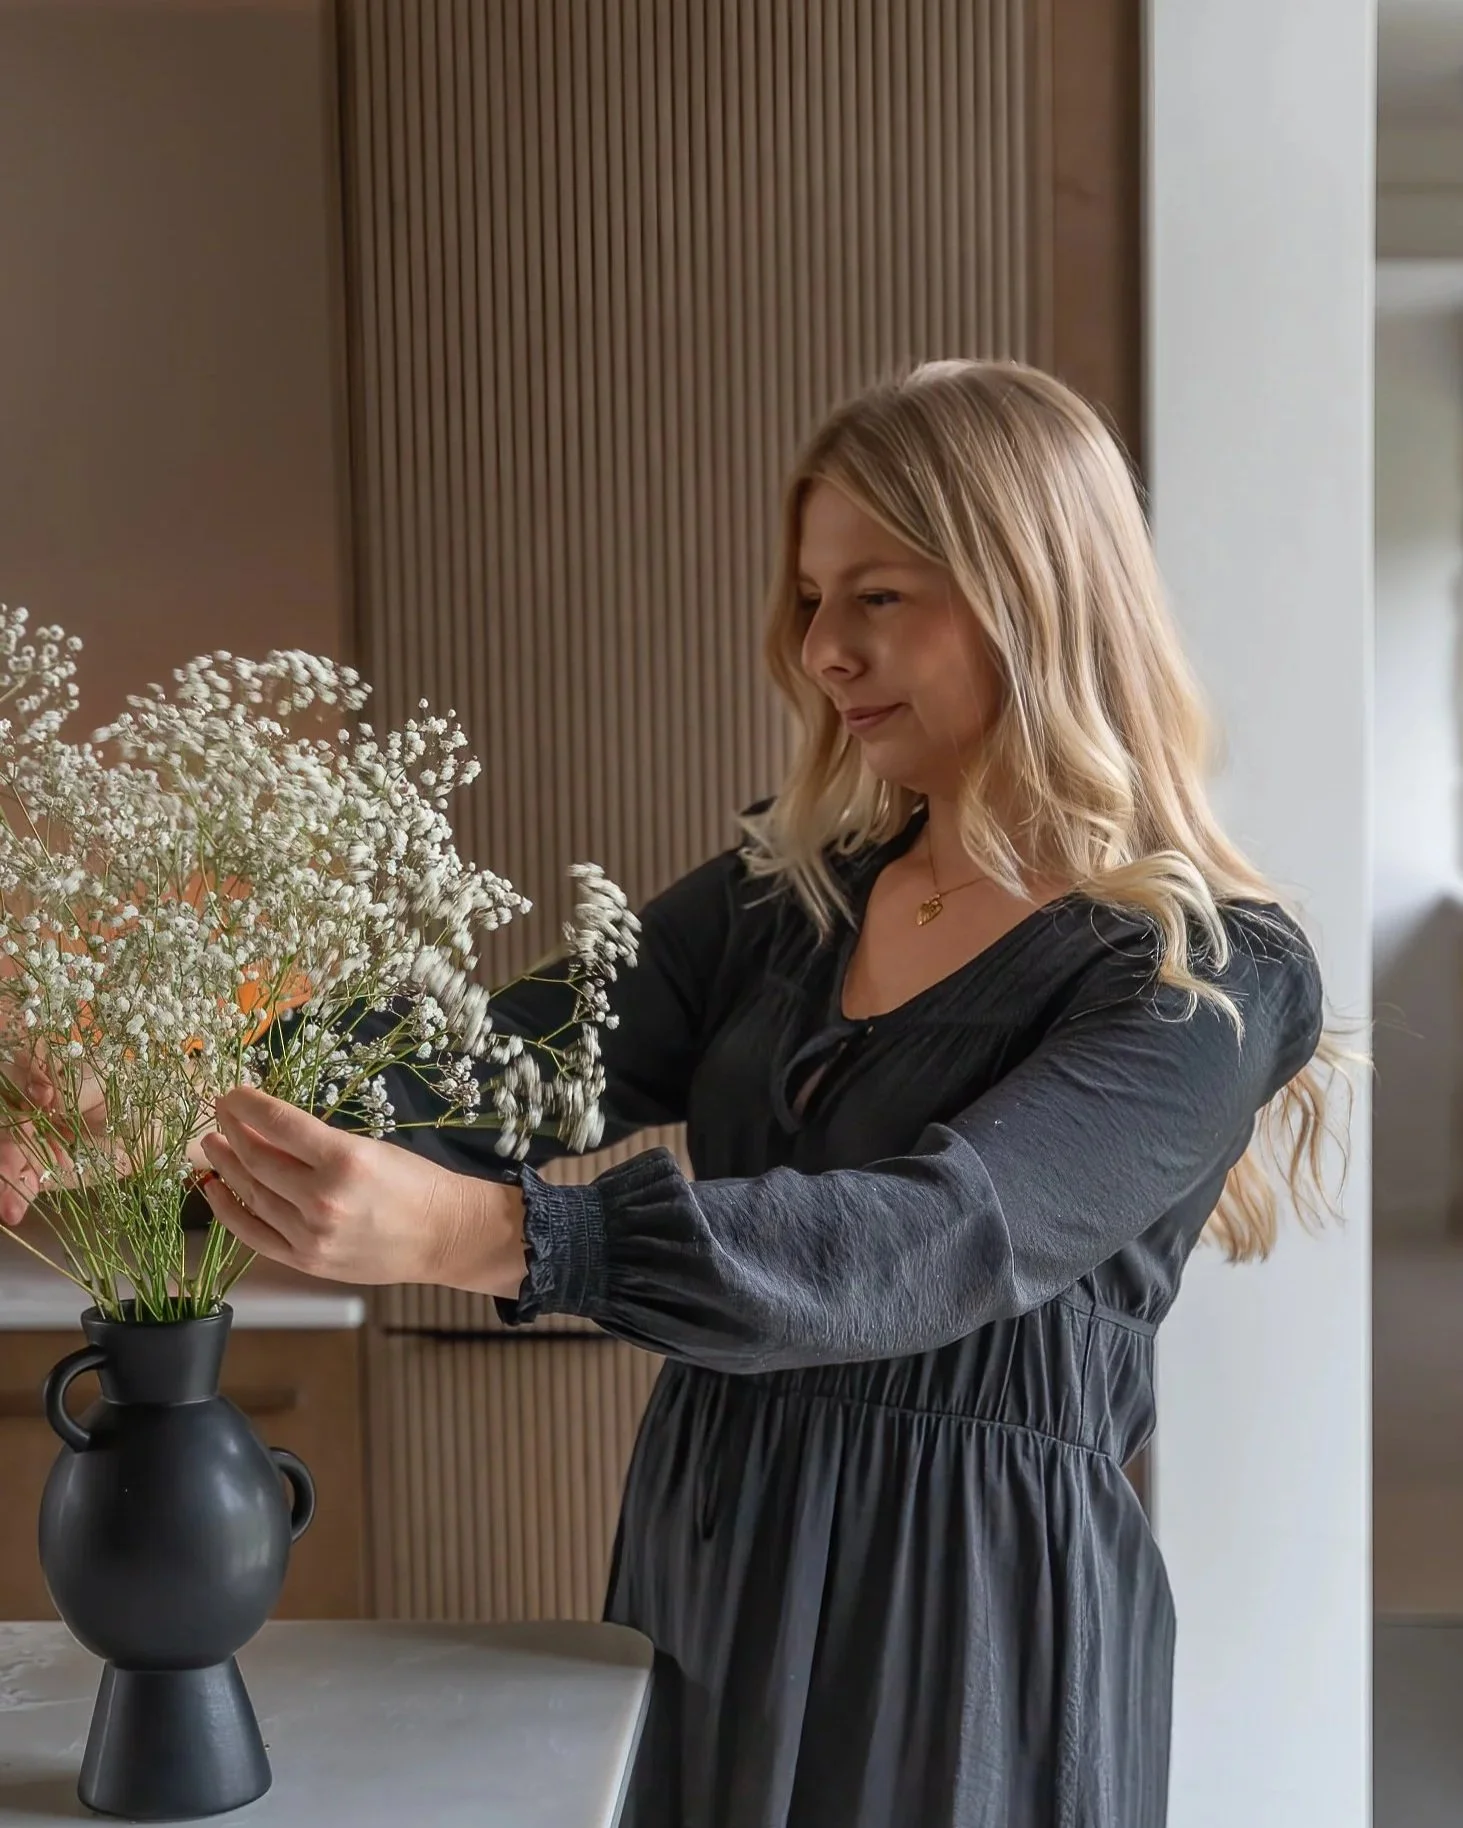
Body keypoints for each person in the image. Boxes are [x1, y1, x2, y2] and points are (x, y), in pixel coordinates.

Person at [0, 359, 1349, 1828]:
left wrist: (499, 1238)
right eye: (807, 597)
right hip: (712, 1542)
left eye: (879, 594)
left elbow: (940, 1237)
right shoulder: (783, 901)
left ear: (1034, 590)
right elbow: (493, 1070)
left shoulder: (1205, 969)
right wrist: (149, 1084)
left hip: (973, 1613)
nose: (823, 649)